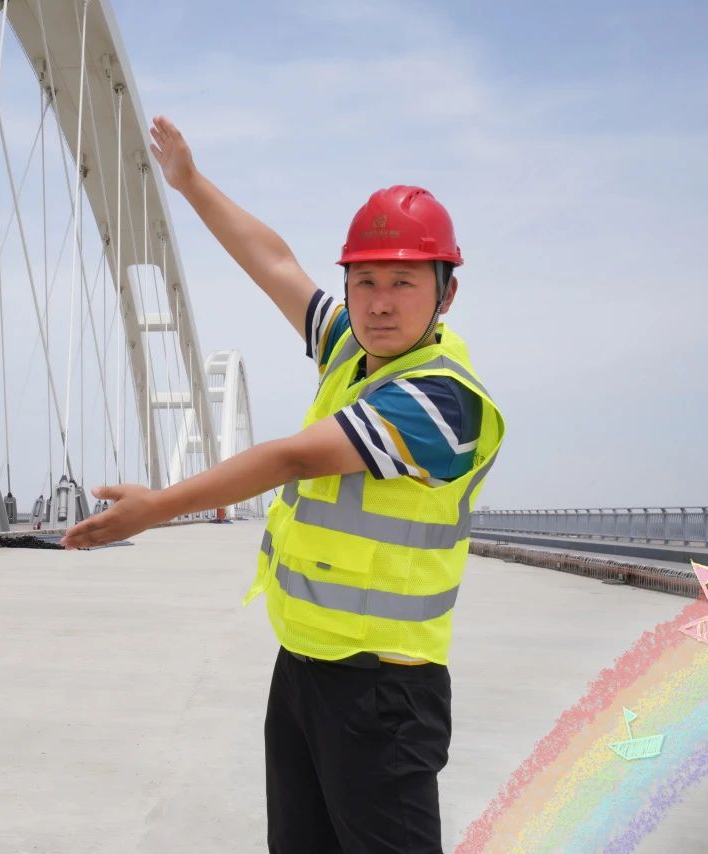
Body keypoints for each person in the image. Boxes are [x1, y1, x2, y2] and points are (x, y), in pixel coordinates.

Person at [63, 116, 506, 853]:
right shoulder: (352, 351)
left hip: (383, 690)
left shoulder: (440, 399)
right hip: (302, 670)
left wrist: (158, 508)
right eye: (364, 282)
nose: (380, 302)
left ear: (445, 294)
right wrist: (190, 184)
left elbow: (294, 459)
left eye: (403, 282)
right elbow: (273, 262)